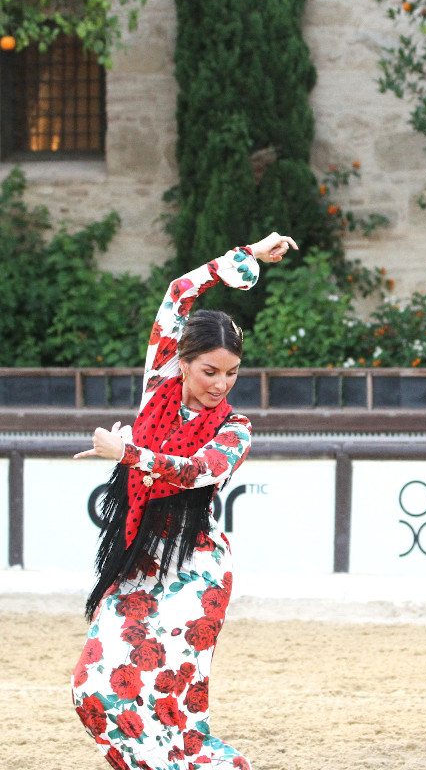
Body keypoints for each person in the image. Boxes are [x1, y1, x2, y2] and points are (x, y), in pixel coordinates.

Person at [72, 232, 297, 770]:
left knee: (172, 712)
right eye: (210, 371)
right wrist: (247, 258)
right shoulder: (158, 382)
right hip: (138, 563)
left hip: (196, 571)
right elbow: (179, 292)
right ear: (183, 361)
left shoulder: (237, 429)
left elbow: (197, 473)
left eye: (233, 372)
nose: (222, 384)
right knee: (92, 693)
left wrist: (128, 453)